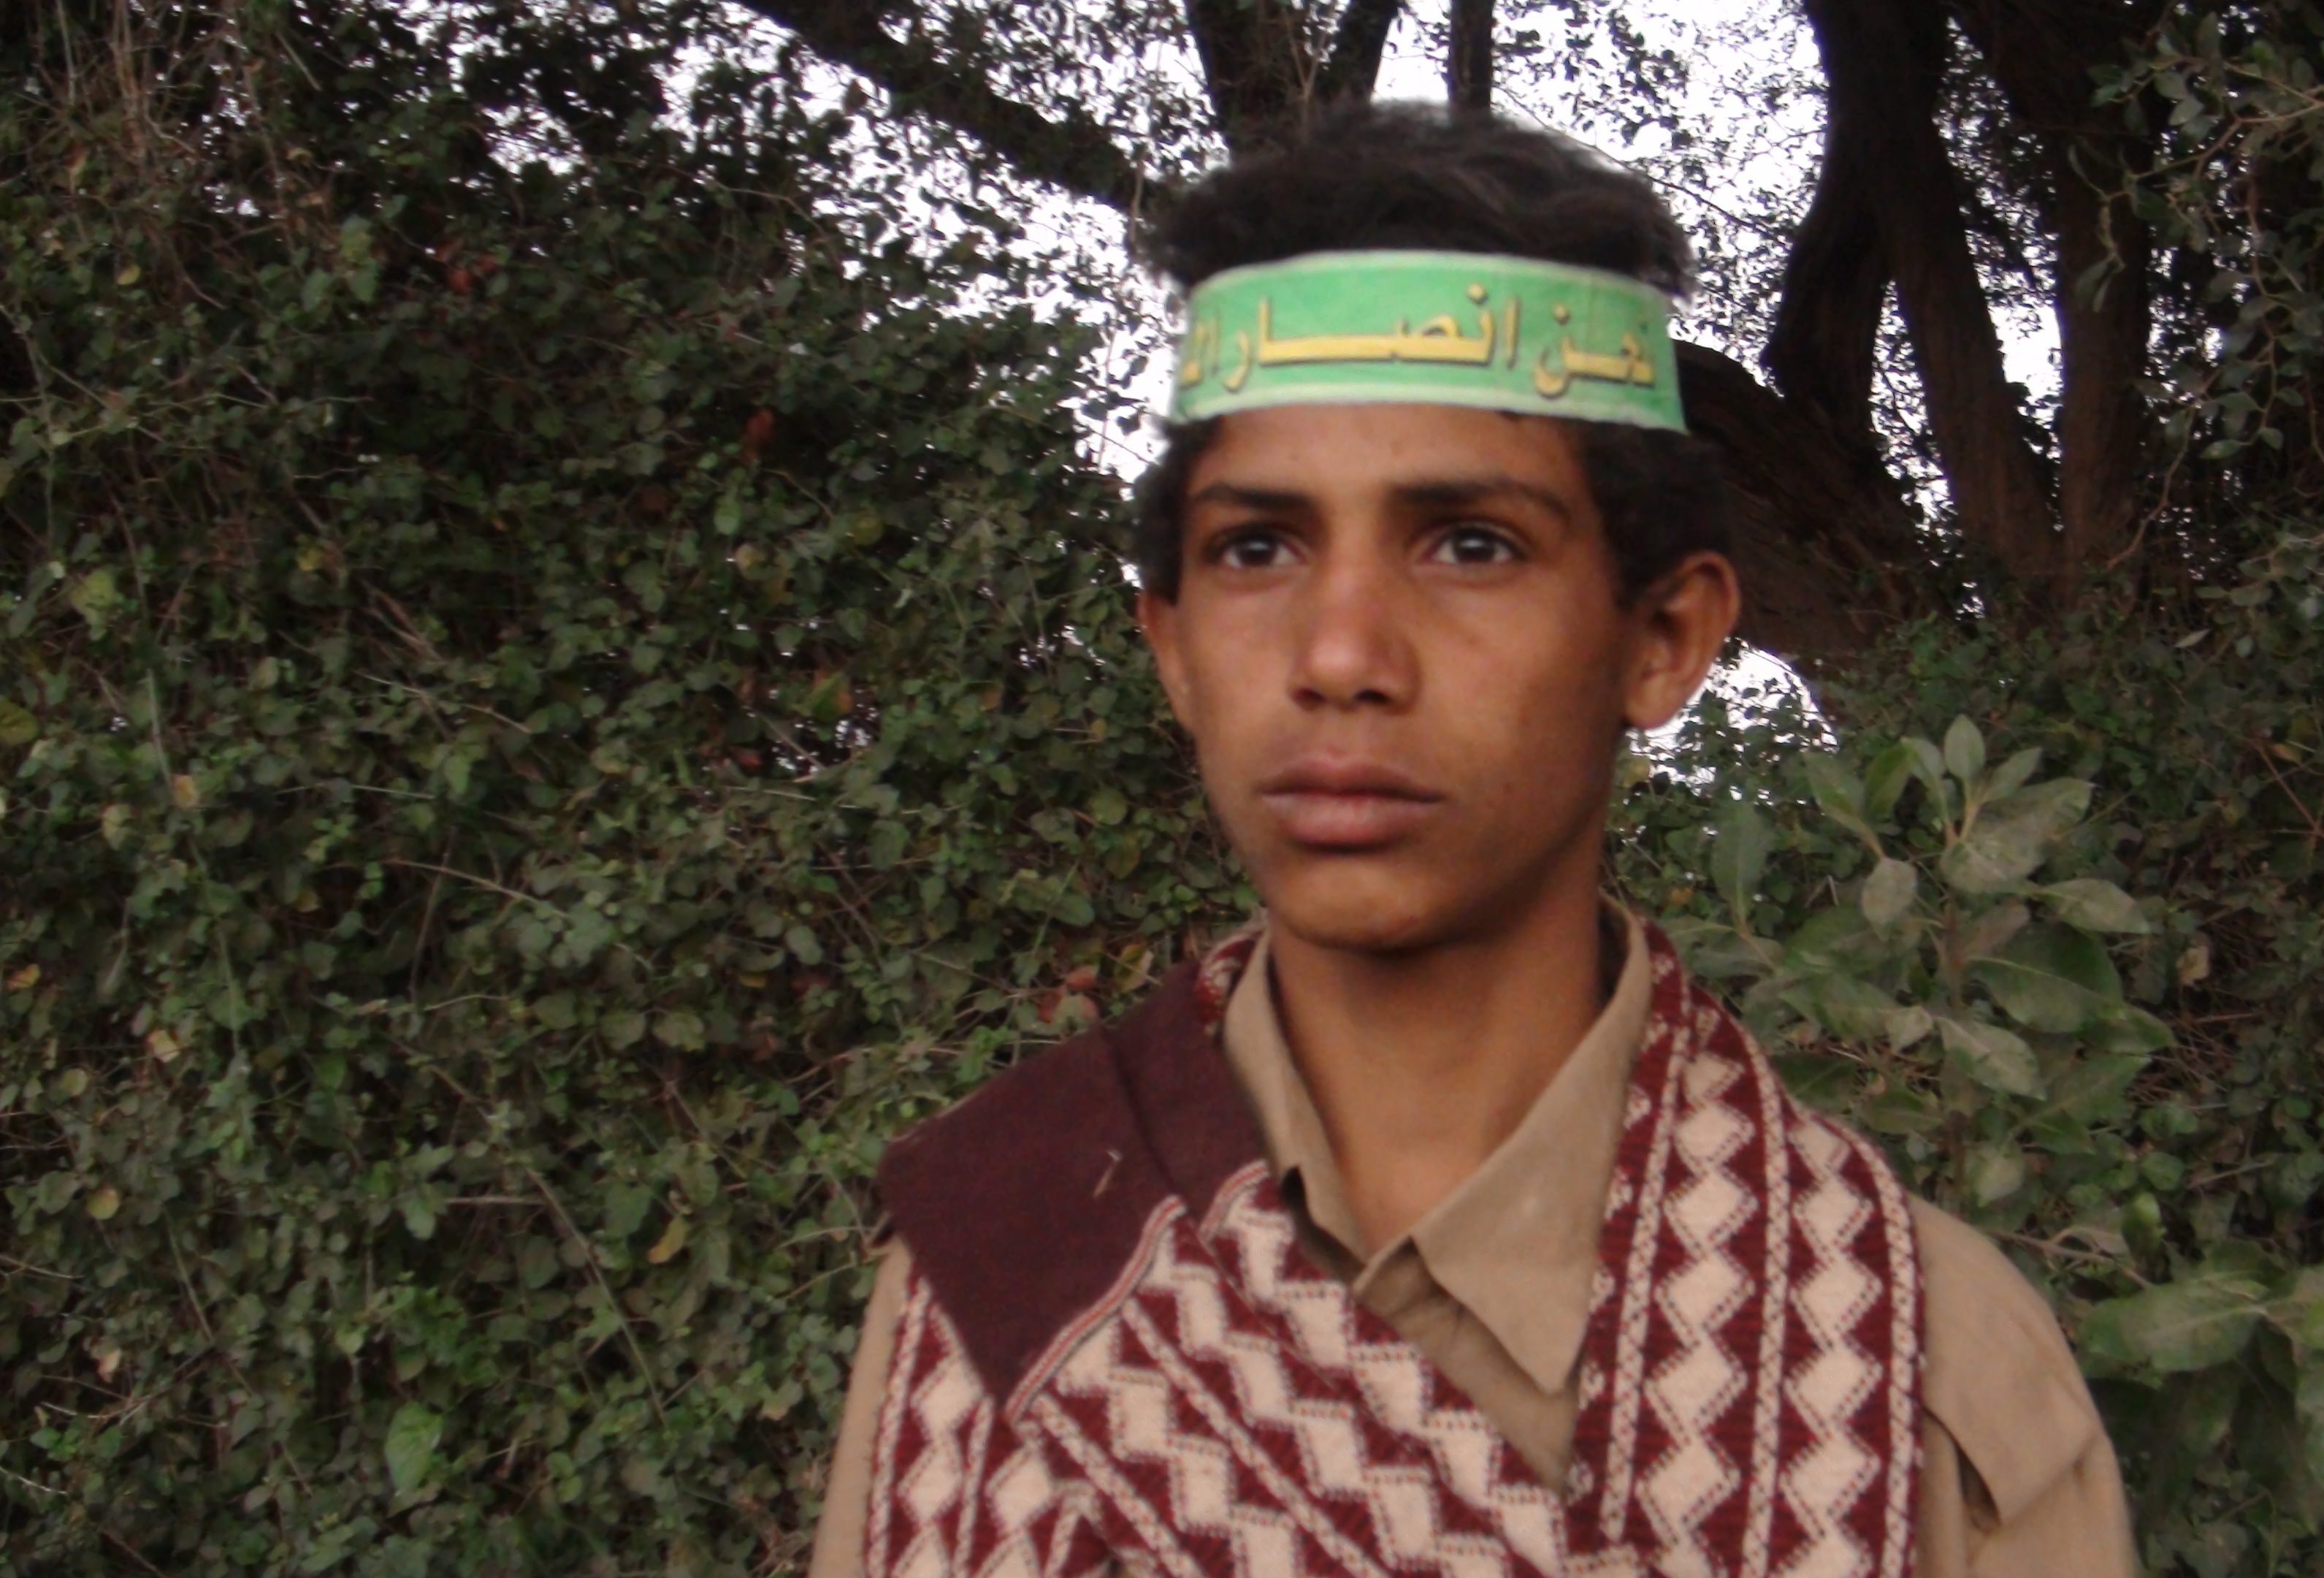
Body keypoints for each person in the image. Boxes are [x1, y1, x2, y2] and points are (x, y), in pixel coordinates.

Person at [809, 105, 2134, 1578]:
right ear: (1172, 646)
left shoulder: (1919, 1376)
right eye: (1258, 548)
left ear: (1662, 637)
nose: (1341, 655)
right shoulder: (1001, 1276)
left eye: (1470, 544)